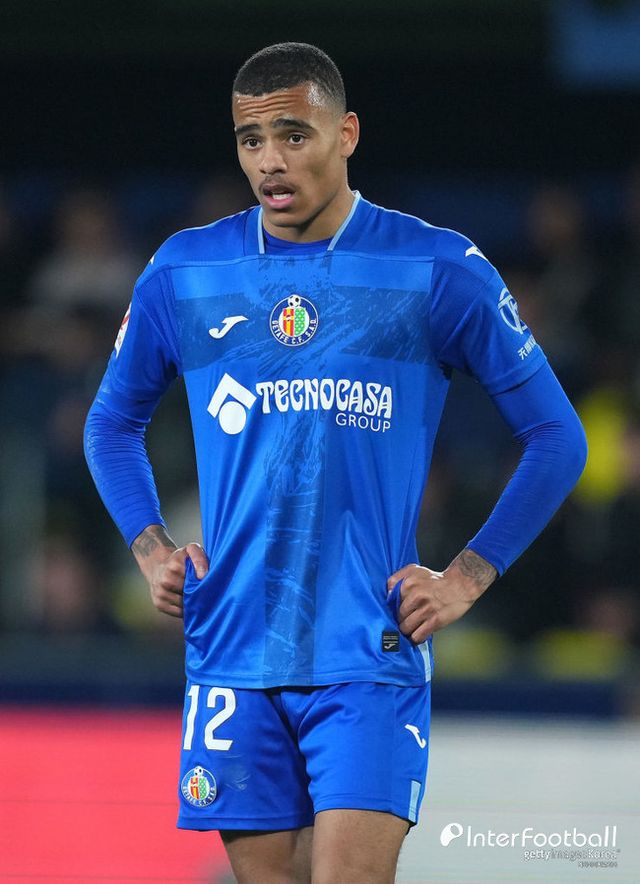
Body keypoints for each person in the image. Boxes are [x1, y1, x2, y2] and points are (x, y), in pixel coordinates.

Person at [84, 42, 587, 884]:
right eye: (251, 140)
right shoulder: (186, 271)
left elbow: (558, 438)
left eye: (294, 134)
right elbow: (109, 424)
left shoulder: (434, 267)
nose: (270, 162)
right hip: (233, 648)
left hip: (368, 648)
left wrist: (467, 577)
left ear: (346, 133)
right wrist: (149, 546)